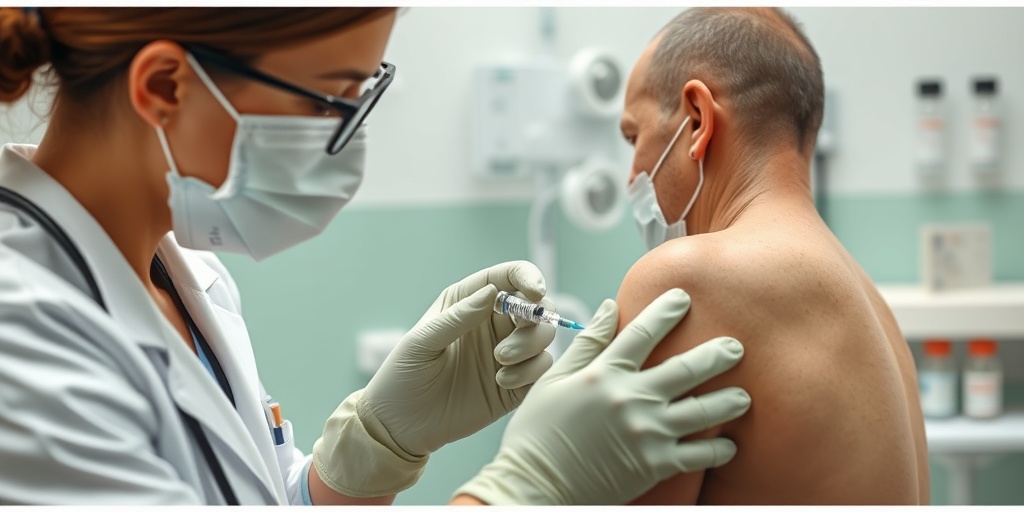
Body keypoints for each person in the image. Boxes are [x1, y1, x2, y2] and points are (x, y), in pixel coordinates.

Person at [0, 7, 753, 505]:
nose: (346, 140)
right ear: (165, 85)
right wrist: (526, 488)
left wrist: (372, 450)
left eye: (363, 96)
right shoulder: (23, 338)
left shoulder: (187, 273)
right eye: (330, 102)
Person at [615, 7, 928, 505]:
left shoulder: (684, 282)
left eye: (633, 137)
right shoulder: (872, 306)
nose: (632, 176)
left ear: (697, 119)